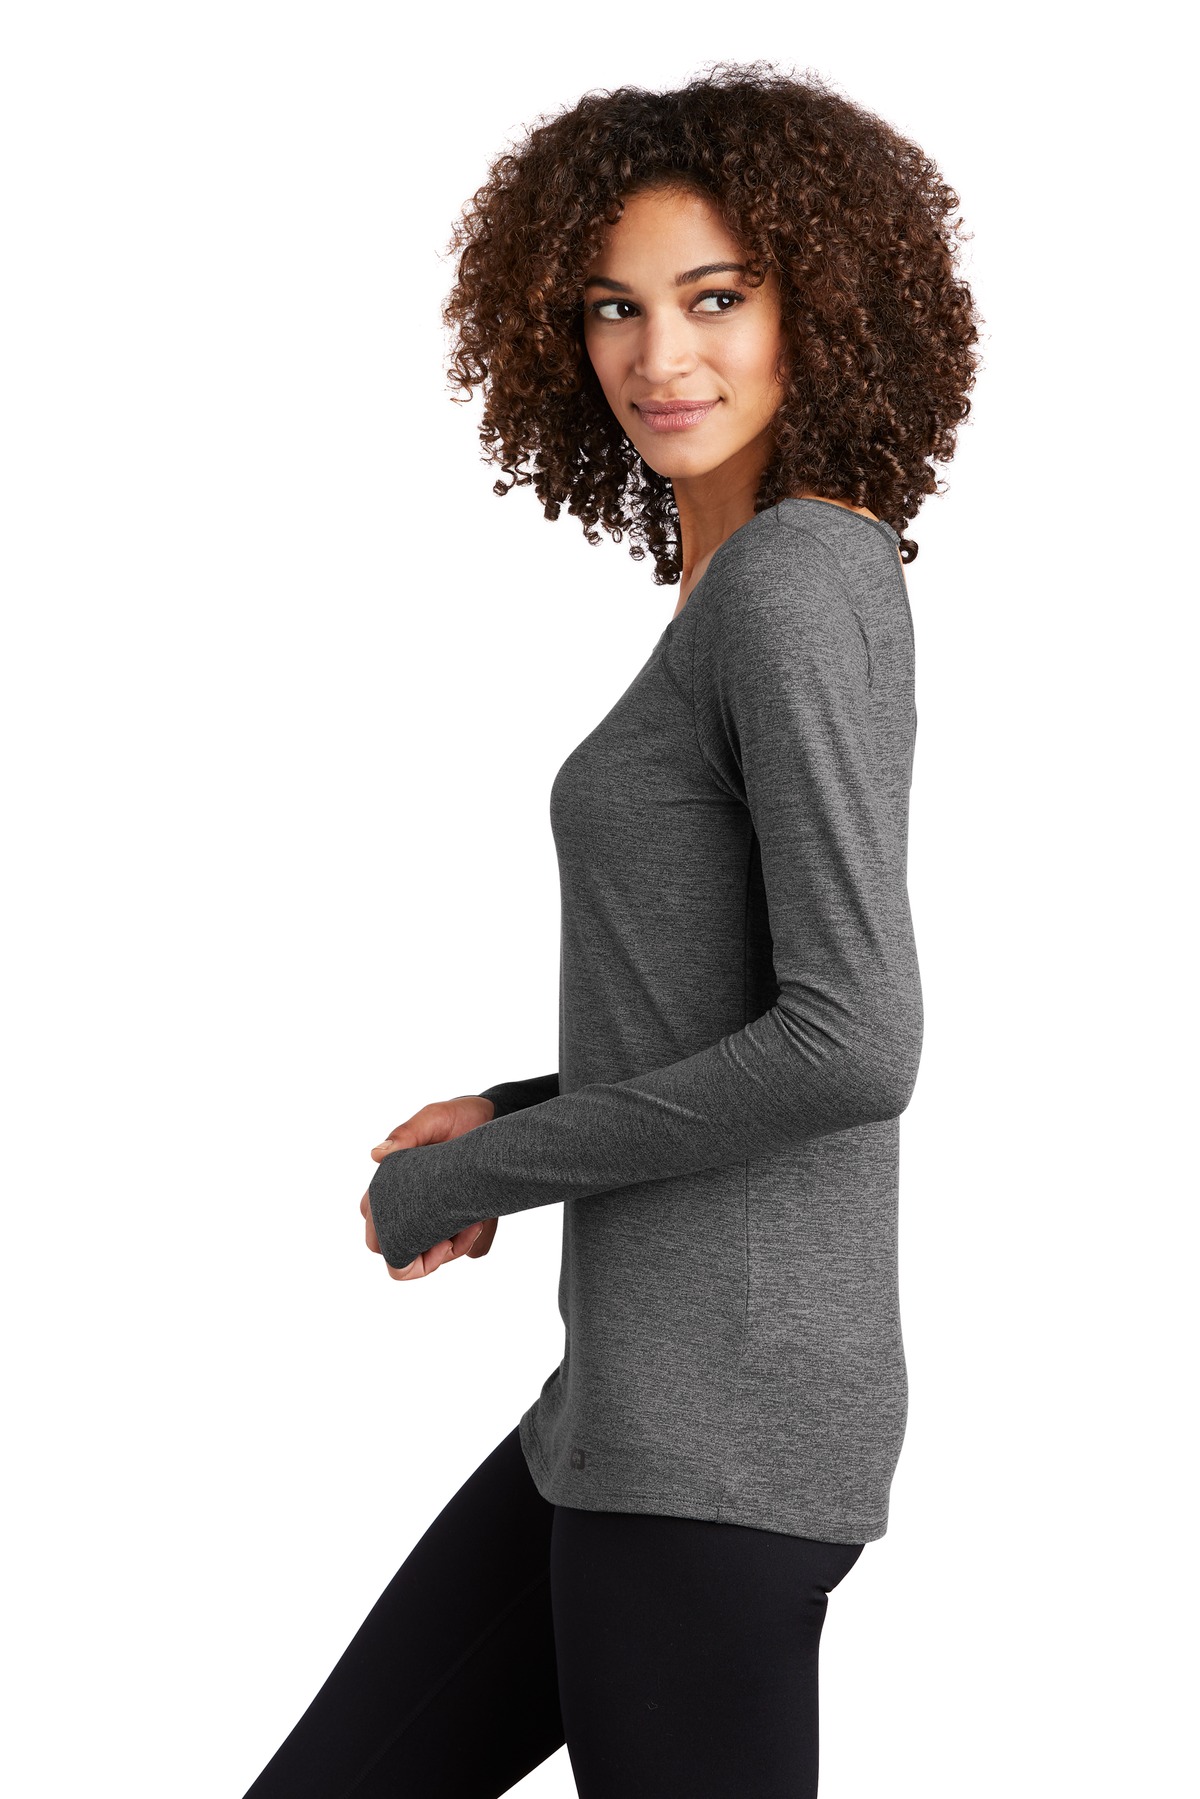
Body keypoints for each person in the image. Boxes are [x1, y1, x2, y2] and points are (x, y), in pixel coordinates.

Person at [242, 59, 981, 1799]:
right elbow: (748, 1006)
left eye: (718, 298)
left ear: (823, 310)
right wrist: (515, 1107)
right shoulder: (744, 586)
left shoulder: (795, 581)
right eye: (613, 308)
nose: (662, 356)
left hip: (722, 1427)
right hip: (627, 1409)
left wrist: (486, 1175)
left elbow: (854, 1043)